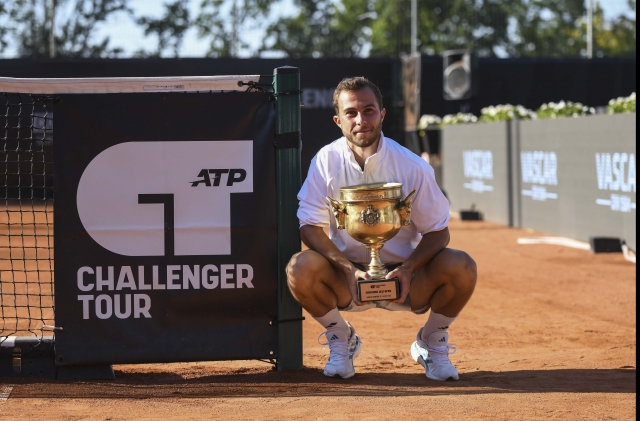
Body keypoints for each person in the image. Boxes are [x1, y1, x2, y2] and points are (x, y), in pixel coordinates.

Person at [286, 76, 477, 381]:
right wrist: (348, 270)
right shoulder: (325, 161)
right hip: (345, 278)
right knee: (299, 268)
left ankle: (432, 340)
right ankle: (341, 338)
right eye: (351, 113)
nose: (361, 120)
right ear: (338, 120)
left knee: (461, 265)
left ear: (382, 114)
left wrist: (409, 267)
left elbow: (439, 231)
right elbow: (310, 226)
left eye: (369, 110)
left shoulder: (412, 165)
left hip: (407, 279)